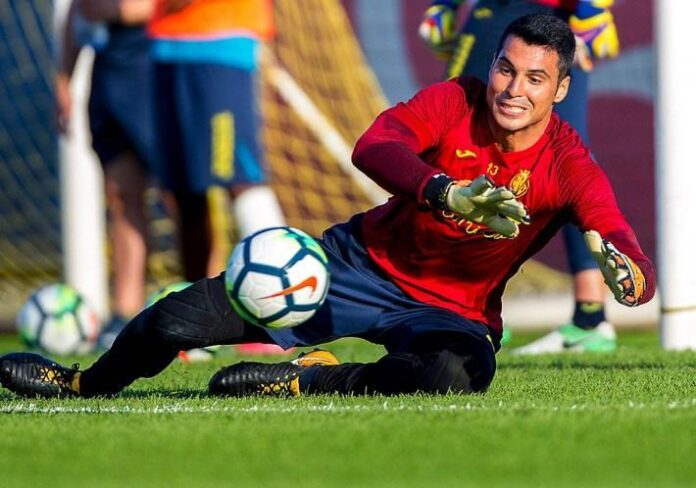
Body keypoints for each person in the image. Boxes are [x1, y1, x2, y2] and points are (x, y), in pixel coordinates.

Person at [0, 14, 654, 399]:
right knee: (175, 321)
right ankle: (82, 384)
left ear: (559, 89)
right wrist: (442, 190)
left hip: (451, 312)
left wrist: (630, 274)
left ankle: (308, 379)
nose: (512, 89)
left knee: (456, 375)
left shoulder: (569, 165)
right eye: (506, 69)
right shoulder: (456, 98)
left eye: (535, 78)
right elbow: (375, 146)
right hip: (354, 266)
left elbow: (623, 244)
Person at [418, 0, 621, 353]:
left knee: (560, 157)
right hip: (523, 16)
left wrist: (591, 8)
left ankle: (466, 307)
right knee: (464, 142)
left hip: (534, 17)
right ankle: (586, 316)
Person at [147, 0, 287, 355]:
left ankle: (279, 315)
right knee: (185, 190)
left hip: (220, 43)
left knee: (240, 177)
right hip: (165, 49)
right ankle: (193, 325)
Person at [56, 0, 157, 349]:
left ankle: (202, 302)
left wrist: (113, 10)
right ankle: (125, 312)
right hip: (108, 70)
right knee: (120, 194)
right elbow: (77, 9)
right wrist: (64, 78)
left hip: (155, 62)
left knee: (180, 192)